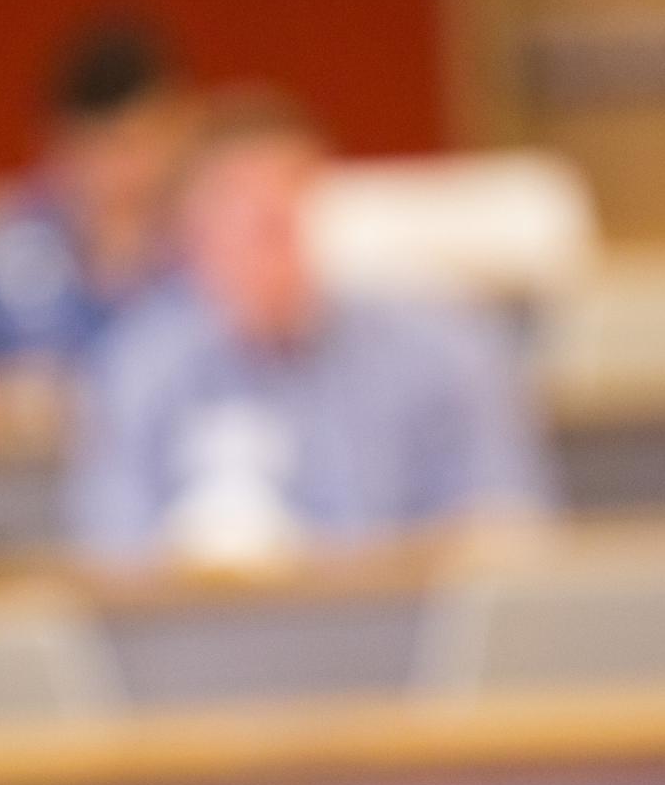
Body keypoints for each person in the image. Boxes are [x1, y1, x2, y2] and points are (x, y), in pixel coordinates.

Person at [68, 89, 553, 565]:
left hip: (408, 637)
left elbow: (509, 534)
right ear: (190, 236)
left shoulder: (444, 353)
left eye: (285, 217)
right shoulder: (138, 370)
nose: (270, 248)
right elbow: (114, 561)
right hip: (216, 640)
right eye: (242, 219)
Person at [0, 17, 195, 372]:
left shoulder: (216, 239)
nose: (124, 171)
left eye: (139, 144)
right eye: (99, 148)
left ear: (180, 130)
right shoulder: (13, 251)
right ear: (58, 149)